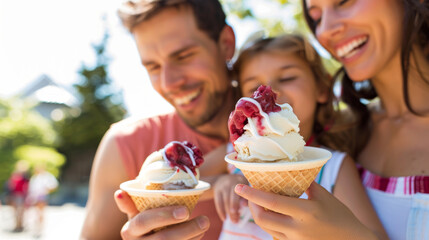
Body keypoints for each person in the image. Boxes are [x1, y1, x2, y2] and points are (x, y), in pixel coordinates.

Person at [234, 0, 429, 239]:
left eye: (344, 1)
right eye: (316, 18)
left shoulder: (338, 161)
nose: (324, 31)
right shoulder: (345, 131)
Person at [79, 0, 239, 239]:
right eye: (153, 67)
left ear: (226, 44)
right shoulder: (125, 144)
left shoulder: (301, 124)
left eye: (183, 56)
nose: (168, 83)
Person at [214, 34, 387, 240]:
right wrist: (221, 182)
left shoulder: (334, 166)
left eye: (287, 78)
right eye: (254, 88)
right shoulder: (235, 154)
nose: (270, 92)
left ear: (321, 88)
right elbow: (188, 180)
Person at [26, 163, 59, 237]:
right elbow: (31, 188)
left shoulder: (47, 176)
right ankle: (37, 227)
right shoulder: (35, 177)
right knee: (35, 212)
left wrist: (46, 190)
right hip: (34, 197)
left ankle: (40, 228)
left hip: (42, 196)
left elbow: (54, 185)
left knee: (40, 212)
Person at [7, 160, 30, 232]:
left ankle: (20, 225)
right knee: (15, 211)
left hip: (22, 195)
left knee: (21, 211)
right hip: (14, 195)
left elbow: (27, 186)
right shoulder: (15, 175)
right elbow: (10, 185)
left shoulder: (25, 176)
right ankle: (17, 225)